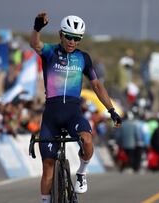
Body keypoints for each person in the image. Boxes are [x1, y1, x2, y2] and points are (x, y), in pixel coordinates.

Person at [30, 12, 122, 203]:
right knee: (47, 165)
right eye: (69, 36)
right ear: (60, 34)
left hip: (73, 113)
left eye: (77, 38)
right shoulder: (50, 52)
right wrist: (37, 28)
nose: (72, 41)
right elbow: (35, 44)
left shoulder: (84, 58)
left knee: (87, 140)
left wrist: (111, 110)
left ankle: (81, 172)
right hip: (51, 116)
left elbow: (97, 86)